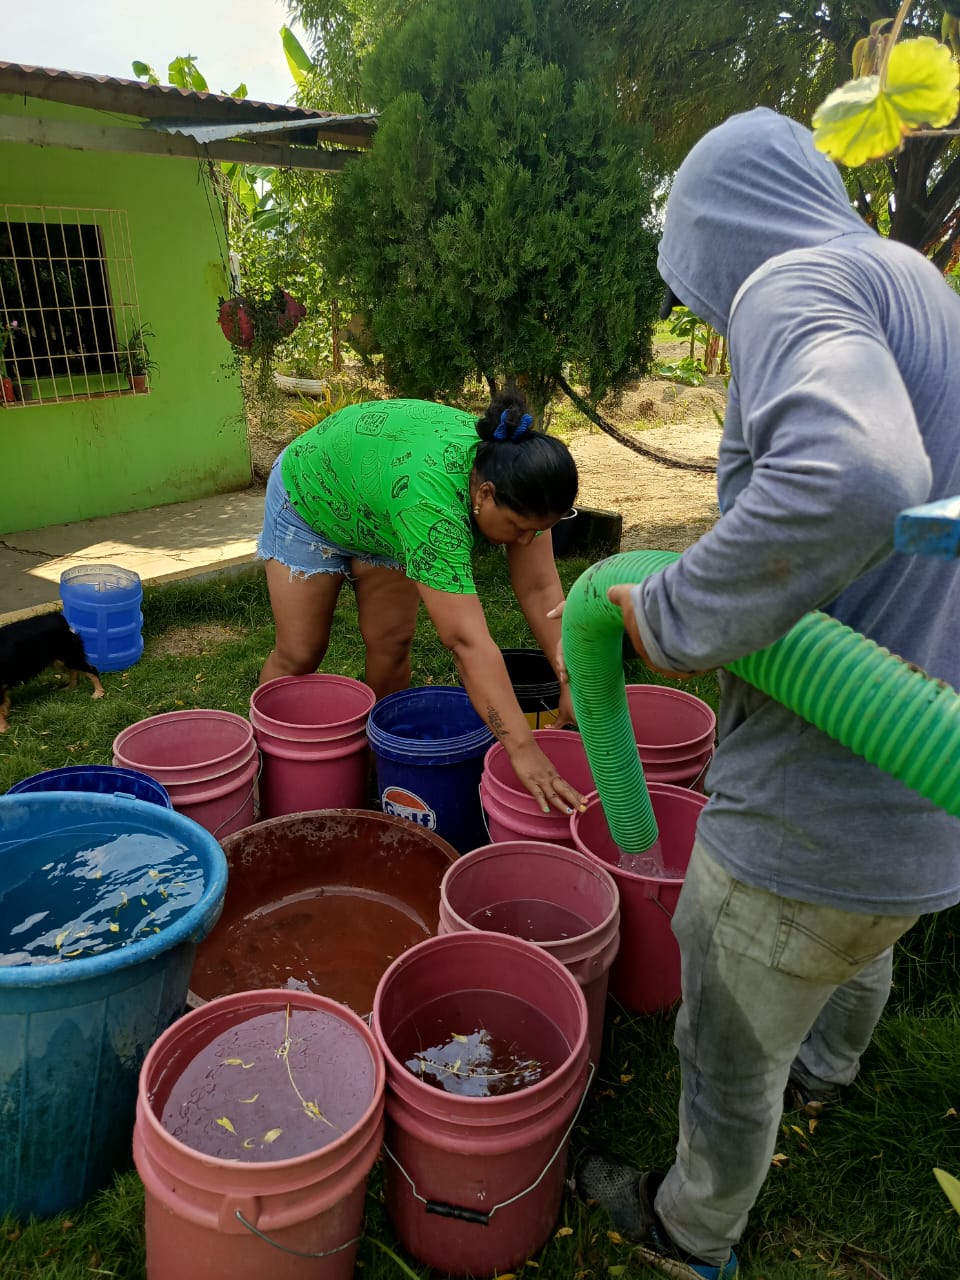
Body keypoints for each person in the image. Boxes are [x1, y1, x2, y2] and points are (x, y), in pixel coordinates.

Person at [575, 107, 960, 1279]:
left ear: (718, 234)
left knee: (728, 1035)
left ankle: (693, 1227)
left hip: (809, 811)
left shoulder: (791, 283)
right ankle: (830, 1074)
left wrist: (675, 618)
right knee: (856, 946)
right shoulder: (920, 289)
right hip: (922, 808)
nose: (707, 312)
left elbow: (859, 475)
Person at [256, 392, 585, 815]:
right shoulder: (430, 506)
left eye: (537, 531)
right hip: (313, 494)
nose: (526, 541)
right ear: (484, 494)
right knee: (301, 651)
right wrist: (522, 748)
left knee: (391, 644)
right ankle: (264, 772)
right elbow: (465, 641)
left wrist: (572, 681)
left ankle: (377, 772)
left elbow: (541, 590)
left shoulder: (524, 484)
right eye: (519, 528)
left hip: (381, 501)